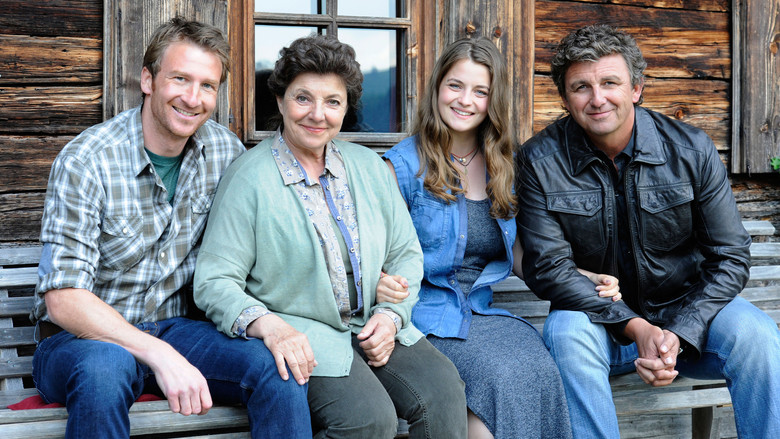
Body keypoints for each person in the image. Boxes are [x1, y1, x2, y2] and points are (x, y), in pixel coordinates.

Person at [31, 17, 311, 439]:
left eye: (207, 85)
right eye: (180, 79)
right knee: (105, 369)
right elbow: (64, 300)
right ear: (148, 80)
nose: (192, 98)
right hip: (80, 342)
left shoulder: (225, 153)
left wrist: (360, 273)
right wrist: (159, 354)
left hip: (177, 329)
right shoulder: (87, 160)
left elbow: (271, 239)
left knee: (277, 368)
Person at [193, 34, 468, 439]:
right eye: (303, 98)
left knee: (444, 392)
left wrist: (391, 316)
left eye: (333, 102)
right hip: (302, 334)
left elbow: (406, 254)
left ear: (345, 108)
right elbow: (214, 281)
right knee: (368, 419)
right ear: (281, 100)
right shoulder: (248, 178)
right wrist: (269, 326)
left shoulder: (369, 167)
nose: (317, 114)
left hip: (374, 324)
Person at [516, 24, 780, 438]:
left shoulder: (691, 150)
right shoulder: (538, 160)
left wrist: (679, 332)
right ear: (565, 99)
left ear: (636, 88)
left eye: (610, 82)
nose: (597, 98)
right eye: (581, 87)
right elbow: (548, 267)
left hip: (690, 318)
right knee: (565, 333)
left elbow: (730, 256)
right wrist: (635, 327)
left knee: (758, 336)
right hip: (600, 325)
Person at [382, 37, 621, 439]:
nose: (465, 100)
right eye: (455, 86)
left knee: (540, 369)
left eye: (480, 91)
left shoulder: (504, 166)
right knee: (500, 378)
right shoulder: (401, 167)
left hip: (482, 314)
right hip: (422, 320)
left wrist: (581, 277)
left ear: (493, 101)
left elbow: (519, 254)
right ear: (437, 88)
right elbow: (377, 259)